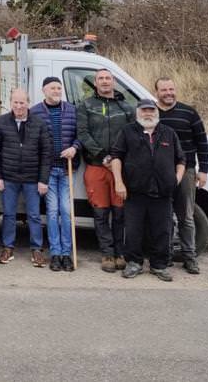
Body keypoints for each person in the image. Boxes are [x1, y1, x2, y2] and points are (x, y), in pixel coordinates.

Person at [110, 99, 186, 282]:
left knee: (162, 231)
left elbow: (181, 160)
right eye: (144, 110)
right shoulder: (127, 132)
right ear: (138, 112)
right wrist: (119, 182)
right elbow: (116, 157)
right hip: (135, 192)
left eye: (151, 110)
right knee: (134, 230)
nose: (148, 113)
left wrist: (175, 180)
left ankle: (159, 265)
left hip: (163, 192)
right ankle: (134, 263)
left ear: (156, 112)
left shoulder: (169, 133)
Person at [77, 68, 136, 272]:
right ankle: (107, 254)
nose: (104, 81)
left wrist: (120, 159)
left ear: (113, 82)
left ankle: (120, 253)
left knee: (120, 213)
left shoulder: (126, 107)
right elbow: (83, 134)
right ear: (95, 83)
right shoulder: (86, 105)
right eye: (100, 78)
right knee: (101, 214)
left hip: (120, 168)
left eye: (108, 78)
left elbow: (133, 135)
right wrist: (103, 156)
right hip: (96, 166)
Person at [0, 88, 53, 267]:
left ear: (28, 103)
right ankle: (8, 248)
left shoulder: (39, 123)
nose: (19, 106)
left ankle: (37, 250)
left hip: (32, 178)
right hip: (8, 177)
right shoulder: (1, 122)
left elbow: (46, 153)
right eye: (15, 102)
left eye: (22, 102)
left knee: (34, 215)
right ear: (11, 103)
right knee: (9, 214)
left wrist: (43, 179)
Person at [156, 77, 208, 275]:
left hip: (186, 171)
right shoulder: (152, 113)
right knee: (164, 216)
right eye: (164, 90)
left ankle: (190, 257)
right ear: (156, 92)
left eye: (171, 89)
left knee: (186, 216)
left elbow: (202, 142)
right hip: (160, 173)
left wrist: (203, 170)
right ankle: (166, 255)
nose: (168, 93)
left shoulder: (189, 112)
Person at [30, 77, 81, 272]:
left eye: (59, 88)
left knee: (67, 212)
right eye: (53, 88)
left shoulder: (71, 110)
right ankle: (56, 253)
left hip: (68, 168)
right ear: (44, 90)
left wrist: (74, 148)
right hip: (48, 170)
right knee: (52, 212)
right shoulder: (35, 112)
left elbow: (80, 135)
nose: (57, 91)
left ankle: (67, 254)